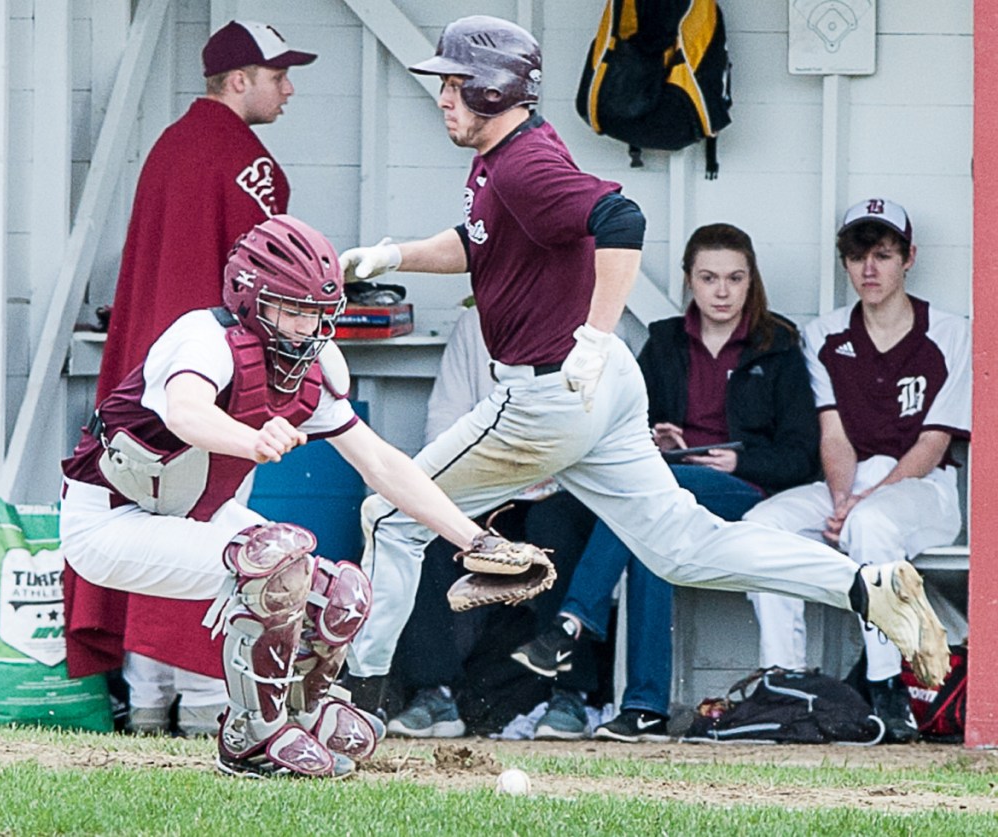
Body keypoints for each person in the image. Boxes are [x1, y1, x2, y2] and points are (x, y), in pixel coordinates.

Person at [336, 16, 950, 721]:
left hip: (550, 393)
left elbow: (620, 219)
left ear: (492, 87)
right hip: (597, 392)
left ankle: (358, 698)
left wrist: (596, 336)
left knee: (388, 511)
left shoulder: (524, 163)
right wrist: (391, 256)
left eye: (453, 83)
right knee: (684, 548)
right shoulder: (508, 155)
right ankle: (863, 585)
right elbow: (479, 243)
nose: (443, 97)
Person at [60, 215, 546, 778]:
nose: (305, 328)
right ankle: (250, 737)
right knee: (277, 564)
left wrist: (474, 539)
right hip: (110, 520)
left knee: (341, 596)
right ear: (249, 299)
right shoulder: (203, 337)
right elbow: (186, 411)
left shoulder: (308, 367)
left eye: (316, 314)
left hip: (189, 515)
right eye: (291, 311)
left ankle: (303, 710)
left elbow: (383, 462)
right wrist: (252, 437)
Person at [65, 19, 318, 735]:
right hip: (215, 386)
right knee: (221, 539)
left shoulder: (169, 147)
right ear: (240, 80)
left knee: (146, 530)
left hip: (139, 390)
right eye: (278, 76)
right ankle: (211, 705)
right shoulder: (251, 165)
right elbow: (267, 285)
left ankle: (148, 700)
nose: (289, 88)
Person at [512, 223, 821, 741]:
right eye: (709, 278)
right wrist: (656, 439)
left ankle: (574, 622)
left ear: (751, 283)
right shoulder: (664, 342)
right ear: (688, 281)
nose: (722, 291)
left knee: (647, 508)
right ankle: (645, 710)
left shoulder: (778, 344)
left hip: (743, 492)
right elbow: (619, 426)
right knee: (650, 536)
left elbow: (801, 455)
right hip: (669, 486)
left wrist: (738, 465)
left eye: (735, 278)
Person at [744, 198, 971, 743]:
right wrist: (844, 497)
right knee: (758, 527)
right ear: (844, 262)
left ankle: (886, 687)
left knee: (871, 527)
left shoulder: (948, 330)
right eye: (857, 256)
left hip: (921, 488)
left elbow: (933, 441)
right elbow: (834, 434)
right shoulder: (824, 334)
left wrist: (861, 507)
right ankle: (784, 681)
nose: (869, 269)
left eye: (883, 255)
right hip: (849, 484)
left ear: (908, 258)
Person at [386, 307, 604, 740]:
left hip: (562, 489)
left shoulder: (590, 323)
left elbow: (603, 426)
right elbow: (443, 422)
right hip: (485, 486)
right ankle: (435, 691)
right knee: (428, 531)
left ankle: (570, 696)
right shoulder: (475, 323)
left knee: (554, 531)